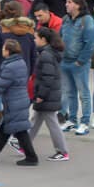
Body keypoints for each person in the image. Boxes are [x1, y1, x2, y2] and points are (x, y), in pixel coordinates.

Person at [0, 38, 38, 165]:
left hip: (14, 102)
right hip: (18, 100)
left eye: (3, 48)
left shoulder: (11, 67)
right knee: (4, 129)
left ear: (8, 51)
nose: (2, 50)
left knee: (20, 131)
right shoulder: (20, 62)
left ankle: (32, 157)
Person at [27, 27, 68, 161]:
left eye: (36, 37)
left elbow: (47, 77)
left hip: (47, 95)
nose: (34, 40)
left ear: (43, 40)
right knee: (36, 119)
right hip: (50, 94)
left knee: (52, 123)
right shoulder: (49, 53)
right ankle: (24, 144)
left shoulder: (45, 55)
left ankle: (62, 151)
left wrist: (41, 95)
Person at [59, 0, 94, 136]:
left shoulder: (87, 21)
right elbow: (60, 37)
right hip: (65, 61)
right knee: (70, 93)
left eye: (69, 2)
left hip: (79, 64)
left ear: (78, 5)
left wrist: (80, 61)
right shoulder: (66, 19)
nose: (66, 4)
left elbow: (91, 44)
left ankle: (85, 122)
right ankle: (72, 120)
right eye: (66, 2)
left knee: (83, 93)